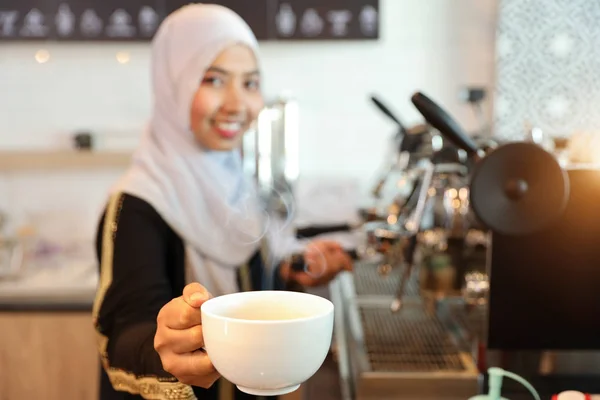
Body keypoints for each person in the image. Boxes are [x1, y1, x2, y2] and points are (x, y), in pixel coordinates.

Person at [92, 4, 353, 400]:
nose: (237, 103)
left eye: (250, 83)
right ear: (173, 86)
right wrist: (166, 346)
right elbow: (125, 332)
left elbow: (244, 276)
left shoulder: (235, 181)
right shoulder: (137, 205)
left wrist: (293, 267)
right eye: (213, 80)